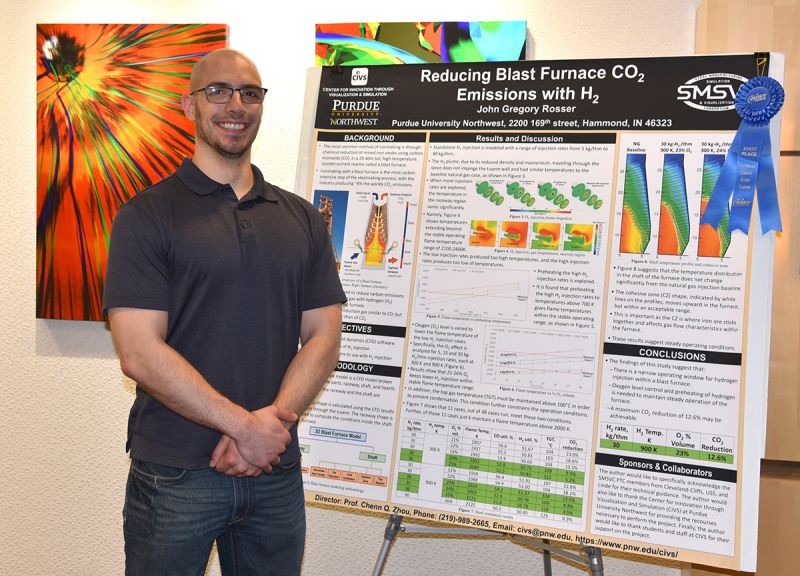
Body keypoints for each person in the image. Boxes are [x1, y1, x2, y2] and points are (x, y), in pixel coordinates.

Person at [103, 48, 345, 575]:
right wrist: (245, 427)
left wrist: (268, 429)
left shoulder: (302, 218)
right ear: (188, 106)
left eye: (249, 93)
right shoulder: (146, 216)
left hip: (274, 474)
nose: (235, 105)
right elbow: (140, 352)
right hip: (176, 475)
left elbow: (325, 335)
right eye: (218, 91)